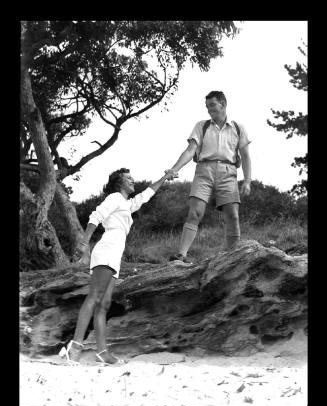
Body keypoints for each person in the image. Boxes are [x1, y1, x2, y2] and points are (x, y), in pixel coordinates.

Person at [60, 168, 174, 364]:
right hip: (106, 250)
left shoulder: (126, 204)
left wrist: (165, 177)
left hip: (114, 254)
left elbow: (146, 195)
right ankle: (75, 348)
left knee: (104, 304)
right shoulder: (114, 198)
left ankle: (102, 352)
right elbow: (95, 216)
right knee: (94, 298)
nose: (133, 180)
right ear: (119, 183)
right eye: (128, 178)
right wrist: (83, 242)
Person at [165, 90, 252, 262]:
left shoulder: (237, 127)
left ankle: (232, 256)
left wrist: (247, 181)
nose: (209, 109)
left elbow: (246, 156)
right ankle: (181, 255)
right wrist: (174, 169)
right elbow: (190, 150)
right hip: (204, 171)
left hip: (228, 172)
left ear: (223, 104)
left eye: (212, 105)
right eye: (207, 107)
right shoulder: (201, 126)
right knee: (195, 212)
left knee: (232, 215)